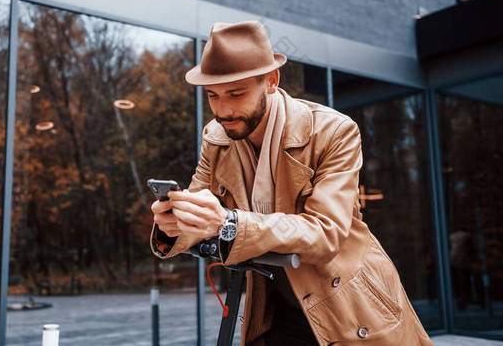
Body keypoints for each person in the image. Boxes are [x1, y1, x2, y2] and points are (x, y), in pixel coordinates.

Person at [150, 20, 432, 346]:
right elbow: (203, 211)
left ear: (271, 80)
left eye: (236, 94)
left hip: (348, 302)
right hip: (275, 307)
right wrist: (174, 224)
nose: (223, 110)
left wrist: (230, 222)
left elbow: (326, 233)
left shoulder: (333, 132)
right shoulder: (216, 138)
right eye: (213, 96)